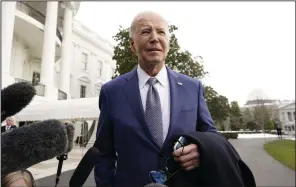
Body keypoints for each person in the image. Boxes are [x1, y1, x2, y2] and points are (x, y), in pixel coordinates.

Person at [94, 11, 217, 187]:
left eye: (161, 32)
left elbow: (212, 136)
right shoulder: (111, 92)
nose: (154, 38)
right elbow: (103, 155)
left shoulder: (193, 88)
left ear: (168, 42)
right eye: (145, 31)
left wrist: (202, 151)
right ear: (132, 44)